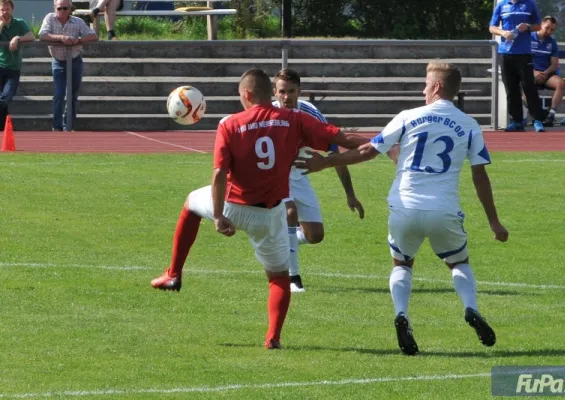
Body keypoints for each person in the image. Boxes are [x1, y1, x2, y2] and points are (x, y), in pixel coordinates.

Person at [295, 62, 509, 355]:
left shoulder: (408, 116)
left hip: (404, 204)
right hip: (443, 208)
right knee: (458, 263)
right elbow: (479, 176)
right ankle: (470, 308)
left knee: (402, 264)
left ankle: (401, 314)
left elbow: (369, 150)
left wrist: (325, 162)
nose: (423, 89)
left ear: (436, 87)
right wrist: (494, 222)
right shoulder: (470, 125)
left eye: (425, 84)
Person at [150, 68, 370, 350]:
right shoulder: (295, 119)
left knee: (191, 203)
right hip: (269, 214)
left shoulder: (230, 123)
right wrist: (381, 145)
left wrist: (218, 216)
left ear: (245, 94)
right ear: (272, 94)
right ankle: (273, 338)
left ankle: (173, 274)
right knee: (278, 278)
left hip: (233, 205)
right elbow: (342, 139)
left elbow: (219, 174)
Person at [272, 68, 364, 293]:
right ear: (274, 92)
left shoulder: (310, 112)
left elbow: (335, 151)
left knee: (315, 235)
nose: (287, 97)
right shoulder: (267, 113)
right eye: (282, 91)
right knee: (290, 213)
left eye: (292, 91)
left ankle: (281, 241)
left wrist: (349, 194)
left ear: (299, 91)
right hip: (274, 176)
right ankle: (292, 278)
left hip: (300, 175)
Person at [39, 0, 98, 132]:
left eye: (65, 8)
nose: (62, 11)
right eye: (59, 8)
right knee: (59, 94)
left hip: (75, 60)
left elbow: (93, 36)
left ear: (70, 8)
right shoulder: (49, 18)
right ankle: (57, 126)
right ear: (54, 8)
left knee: (72, 95)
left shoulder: (78, 21)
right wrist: (62, 38)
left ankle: (69, 125)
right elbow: (42, 35)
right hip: (58, 61)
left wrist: (79, 40)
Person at [490, 0, 548, 132]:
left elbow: (538, 26)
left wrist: (527, 27)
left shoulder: (530, 4)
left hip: (524, 53)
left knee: (529, 87)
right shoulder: (502, 5)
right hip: (505, 53)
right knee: (511, 89)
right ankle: (516, 121)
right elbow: (492, 27)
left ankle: (537, 120)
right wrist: (503, 33)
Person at [0, 0, 35, 131]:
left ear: (12, 9)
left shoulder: (20, 23)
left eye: (7, 9)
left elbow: (31, 35)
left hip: (13, 68)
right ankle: (3, 131)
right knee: (2, 101)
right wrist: (2, 24)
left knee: (5, 98)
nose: (5, 12)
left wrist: (17, 38)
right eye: (2, 9)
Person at [527, 15, 565, 127]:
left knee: (561, 83)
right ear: (541, 25)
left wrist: (545, 73)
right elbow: (523, 60)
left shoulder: (552, 42)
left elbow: (554, 64)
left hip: (546, 73)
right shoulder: (528, 38)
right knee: (524, 89)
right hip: (530, 72)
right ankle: (539, 113)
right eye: (547, 28)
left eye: (552, 29)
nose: (549, 31)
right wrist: (534, 72)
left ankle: (551, 114)